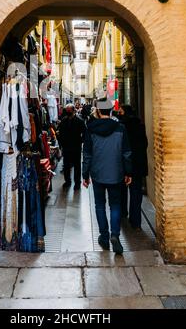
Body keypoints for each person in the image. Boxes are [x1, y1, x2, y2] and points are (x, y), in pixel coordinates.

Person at [82, 98, 133, 254]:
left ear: (98, 111)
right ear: (111, 111)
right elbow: (126, 152)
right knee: (115, 205)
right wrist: (128, 172)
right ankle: (115, 235)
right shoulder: (120, 128)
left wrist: (85, 174)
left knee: (99, 205)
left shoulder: (90, 129)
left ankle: (104, 236)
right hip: (116, 173)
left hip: (97, 173)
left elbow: (87, 154)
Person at [118, 105, 148, 230]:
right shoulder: (140, 125)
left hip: (124, 164)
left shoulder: (120, 127)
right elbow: (145, 144)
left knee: (122, 191)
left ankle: (123, 213)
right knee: (136, 193)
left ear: (124, 113)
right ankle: (136, 222)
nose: (118, 113)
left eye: (120, 111)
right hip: (138, 164)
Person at [57, 103, 86, 190]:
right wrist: (61, 143)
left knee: (77, 166)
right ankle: (67, 181)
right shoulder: (64, 120)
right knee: (66, 165)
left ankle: (77, 183)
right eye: (67, 110)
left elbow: (84, 133)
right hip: (66, 147)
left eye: (69, 110)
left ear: (73, 110)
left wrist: (81, 141)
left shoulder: (79, 121)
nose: (68, 112)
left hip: (76, 146)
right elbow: (60, 132)